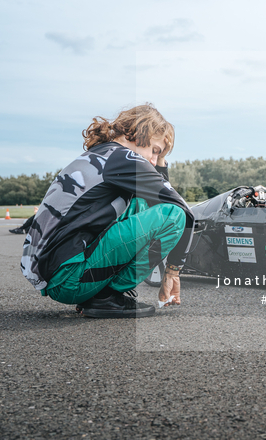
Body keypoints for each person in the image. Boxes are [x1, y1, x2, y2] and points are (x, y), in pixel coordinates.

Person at [20, 104, 194, 318]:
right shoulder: (125, 159)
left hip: (57, 273)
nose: (153, 160)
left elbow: (155, 198)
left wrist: (159, 161)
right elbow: (182, 211)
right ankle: (106, 296)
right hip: (69, 278)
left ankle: (99, 294)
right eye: (155, 151)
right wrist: (172, 272)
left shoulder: (103, 155)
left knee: (141, 204)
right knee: (173, 216)